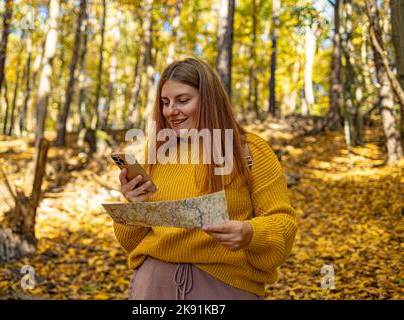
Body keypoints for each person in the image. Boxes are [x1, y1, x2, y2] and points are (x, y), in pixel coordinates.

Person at [113, 57, 298, 300]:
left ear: (209, 99)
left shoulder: (249, 150)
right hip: (152, 287)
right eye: (165, 102)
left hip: (223, 288)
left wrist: (250, 232)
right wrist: (134, 208)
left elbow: (284, 223)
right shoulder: (157, 152)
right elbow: (131, 242)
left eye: (183, 100)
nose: (171, 111)